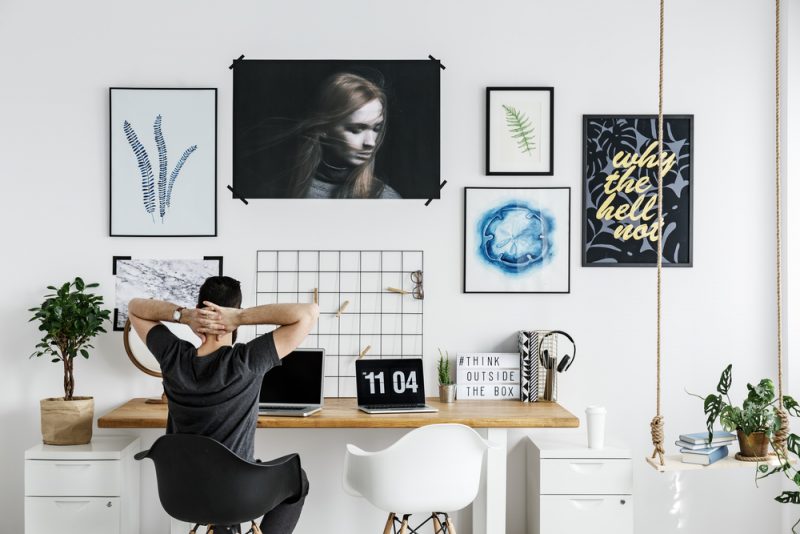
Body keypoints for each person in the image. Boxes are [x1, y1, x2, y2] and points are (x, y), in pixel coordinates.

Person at [127, 276, 319, 534]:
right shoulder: (248, 361)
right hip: (238, 496)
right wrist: (239, 318)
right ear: (233, 310)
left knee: (230, 474)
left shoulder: (172, 356)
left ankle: (226, 529)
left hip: (182, 495)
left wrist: (182, 316)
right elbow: (309, 313)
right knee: (298, 479)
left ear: (199, 309)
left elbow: (135, 308)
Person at [286, 71, 402, 199]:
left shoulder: (386, 199)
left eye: (376, 128)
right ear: (324, 128)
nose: (371, 143)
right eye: (356, 130)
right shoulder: (279, 189)